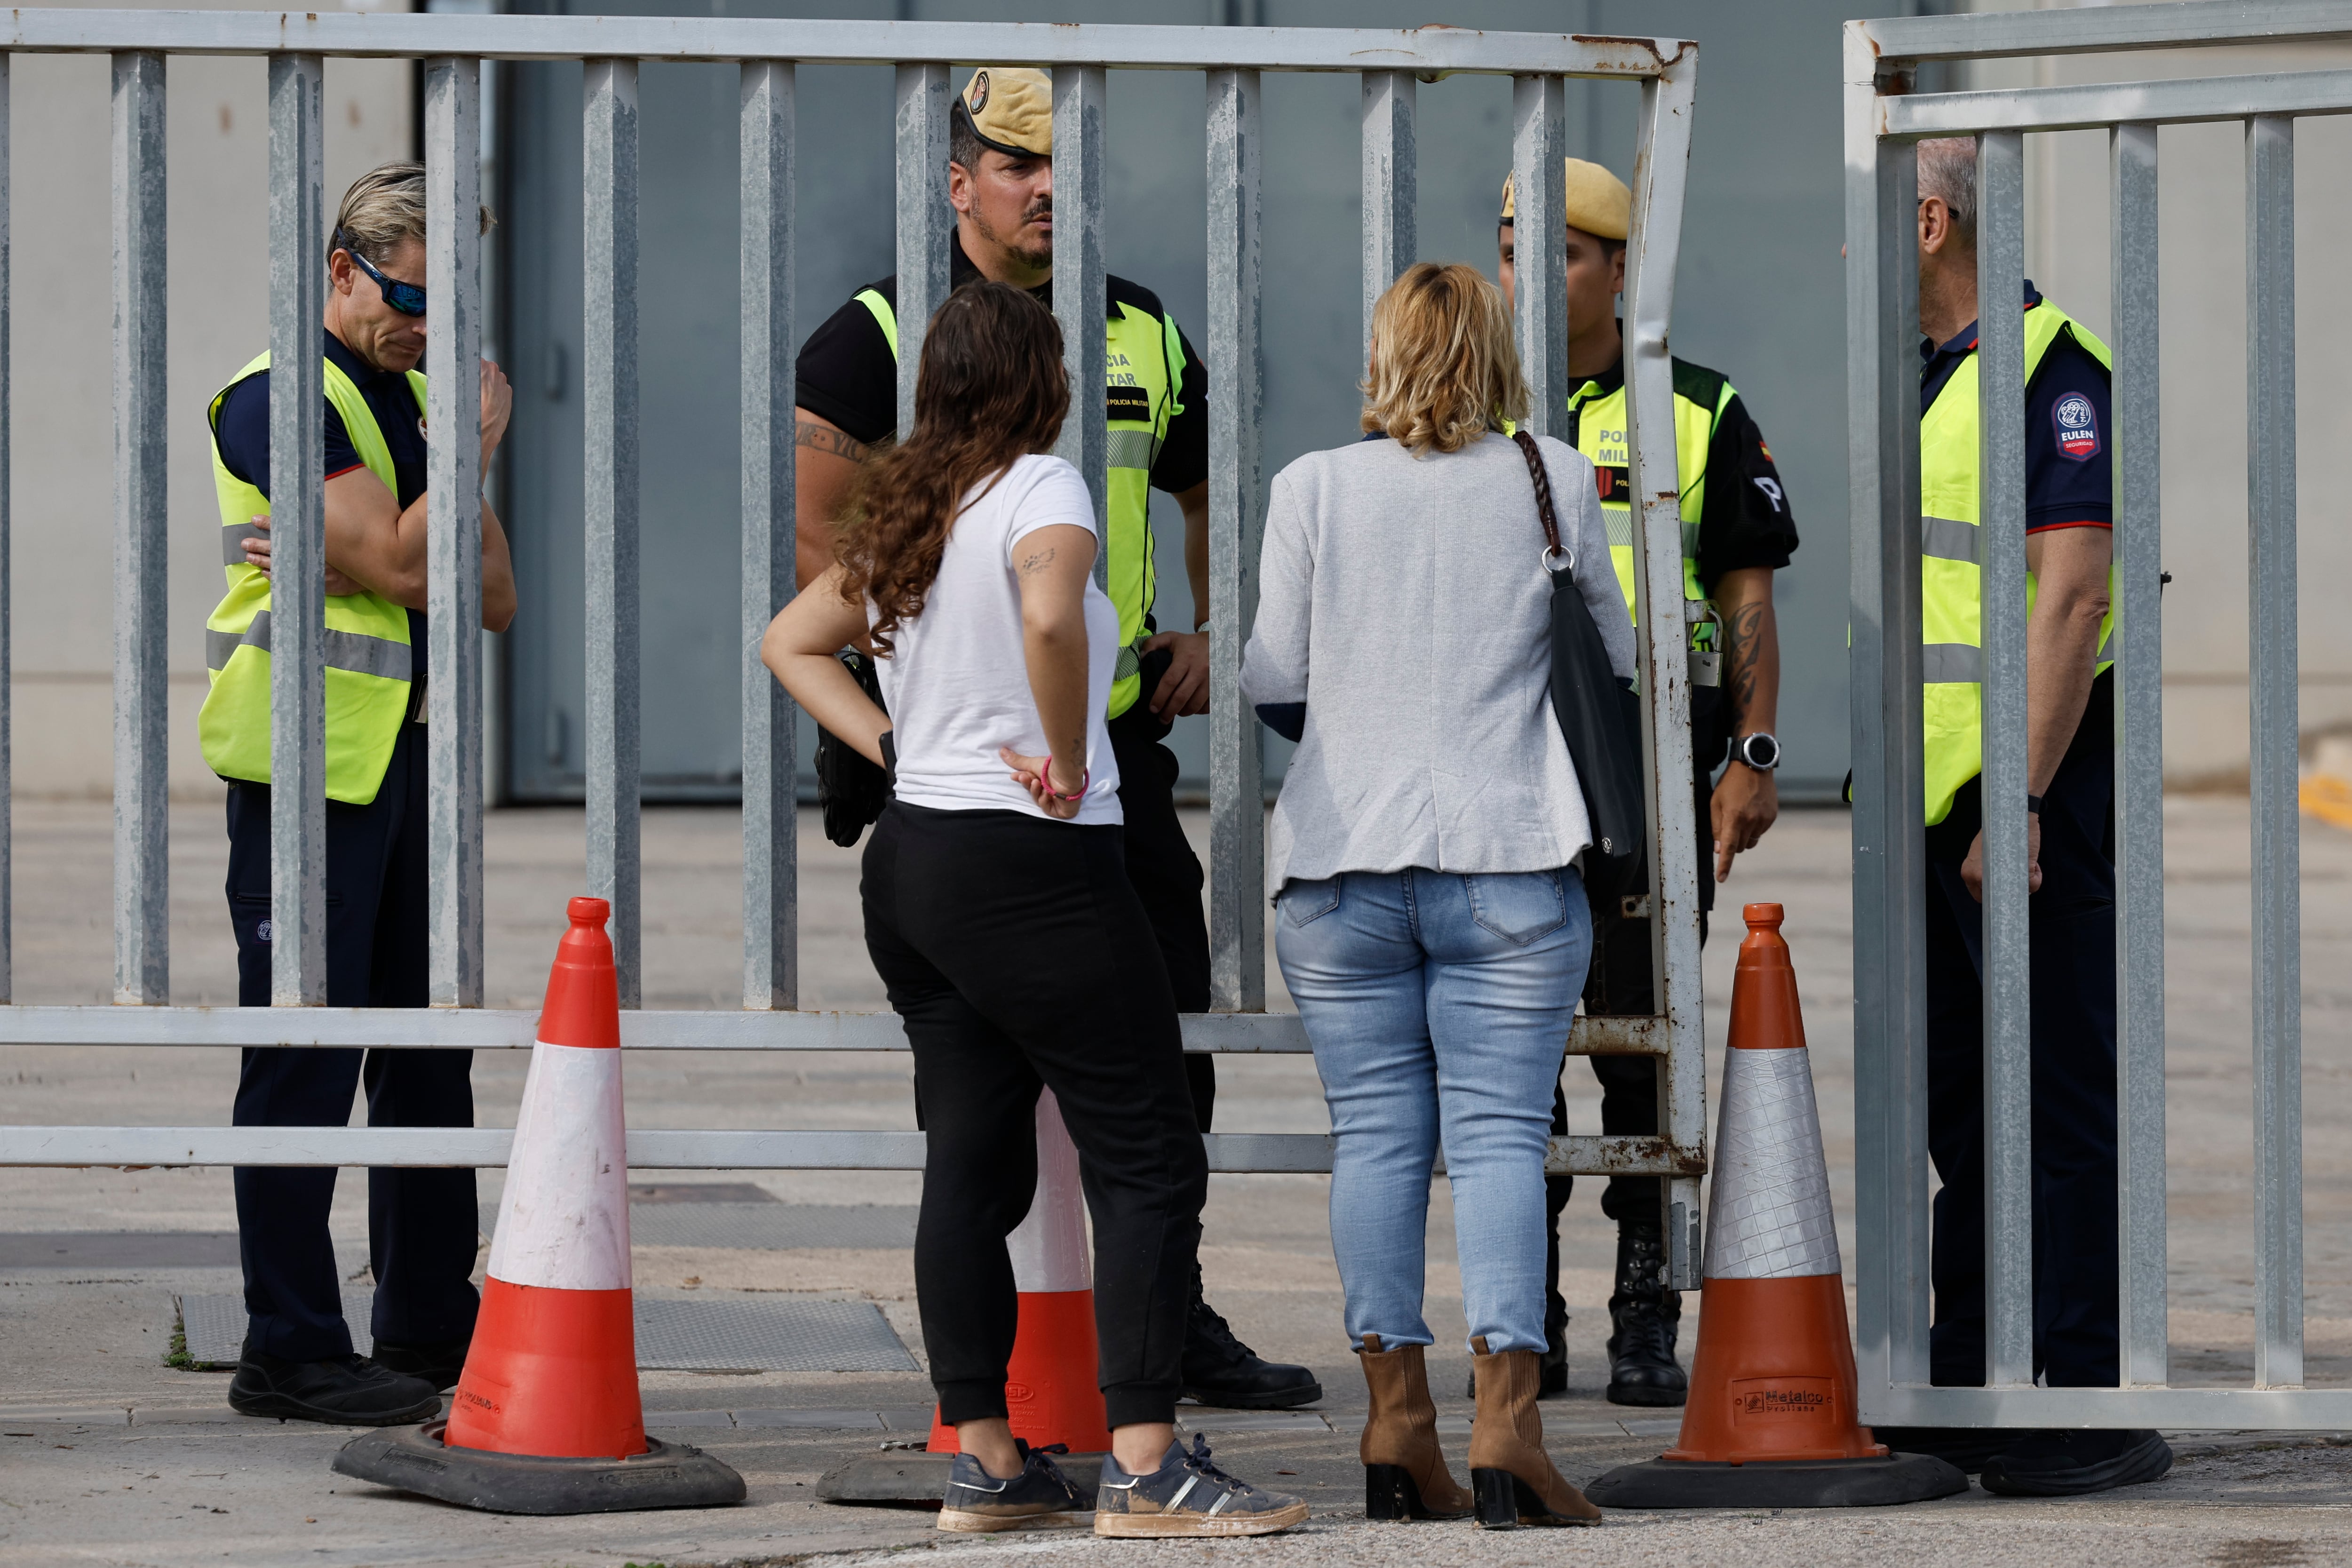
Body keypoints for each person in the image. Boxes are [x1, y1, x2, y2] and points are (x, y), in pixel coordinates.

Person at [793, 64, 1318, 1411]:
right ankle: (1086, 1408)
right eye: (1016, 165)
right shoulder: (871, 336)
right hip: (976, 776)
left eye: (1059, 166)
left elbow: (1200, 490)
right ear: (958, 178)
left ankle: (1161, 1318)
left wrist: (1205, 623)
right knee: (985, 1119)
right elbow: (818, 551)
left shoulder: (1137, 325)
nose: (1043, 190)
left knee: (1170, 1035)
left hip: (1111, 761)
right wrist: (924, 729)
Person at [1243, 263, 1628, 1529]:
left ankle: (1395, 1423)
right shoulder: (1553, 477)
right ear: (1498, 356)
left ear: (1385, 353)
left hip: (1340, 866)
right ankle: (1508, 1431)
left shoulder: (1311, 487)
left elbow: (1272, 683)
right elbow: (1616, 665)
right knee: (1503, 1140)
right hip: (1507, 857)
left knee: (1380, 1141)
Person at [1866, 137, 2169, 1498]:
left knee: (2050, 1091)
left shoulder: (2056, 372)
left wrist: (2020, 796)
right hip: (1933, 808)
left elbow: (2074, 597)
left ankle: (2074, 1392)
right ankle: (1966, 1371)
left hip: (2026, 797)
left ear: (1928, 220)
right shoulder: (1924, 377)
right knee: (1958, 1102)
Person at [202, 162, 517, 1425]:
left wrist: (427, 519)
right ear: (342, 268)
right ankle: (288, 1341)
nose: (428, 328)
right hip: (308, 770)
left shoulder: (417, 402)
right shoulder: (280, 399)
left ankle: (432, 1320)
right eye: (408, 297)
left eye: (450, 307)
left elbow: (489, 597)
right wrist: (456, 474)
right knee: (302, 1060)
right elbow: (400, 558)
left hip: (410, 762)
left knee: (429, 1059)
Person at [1496, 158, 1800, 1406]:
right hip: (1506, 764)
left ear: (1620, 270)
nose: (1531, 272)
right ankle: (1530, 1318)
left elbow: (1746, 598)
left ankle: (1640, 1311)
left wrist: (1753, 755)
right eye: (1515, 248)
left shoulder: (1696, 406)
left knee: (1643, 1049)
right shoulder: (1468, 401)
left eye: (1563, 251)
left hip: (1652, 766)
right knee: (1513, 1053)